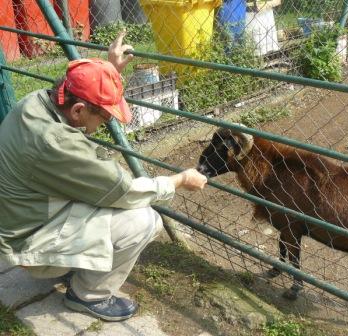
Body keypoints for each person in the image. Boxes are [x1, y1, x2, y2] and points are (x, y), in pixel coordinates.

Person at [0, 31, 207, 321]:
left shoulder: (35, 103)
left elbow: (75, 84)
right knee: (143, 220)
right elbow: (125, 190)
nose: (107, 121)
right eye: (105, 117)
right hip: (28, 244)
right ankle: (88, 295)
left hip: (19, 220)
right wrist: (180, 180)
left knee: (107, 204)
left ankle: (73, 262)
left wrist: (108, 72)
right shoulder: (57, 143)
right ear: (78, 110)